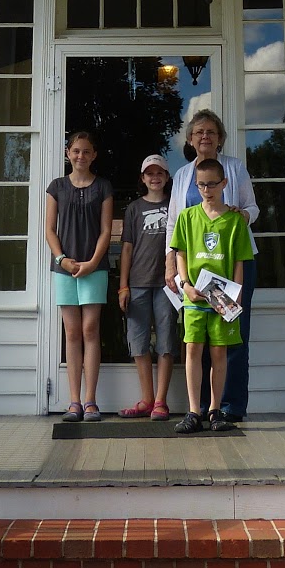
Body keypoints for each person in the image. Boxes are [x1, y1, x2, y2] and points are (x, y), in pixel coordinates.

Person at [165, 109, 259, 421]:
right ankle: (202, 407)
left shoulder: (235, 167)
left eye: (211, 132)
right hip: (193, 270)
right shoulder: (182, 175)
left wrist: (241, 216)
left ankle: (229, 407)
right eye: (199, 132)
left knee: (232, 337)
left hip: (232, 264)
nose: (205, 136)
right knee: (198, 340)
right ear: (190, 140)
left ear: (220, 138)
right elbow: (174, 224)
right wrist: (171, 265)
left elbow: (253, 207)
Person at [45, 131, 113, 422]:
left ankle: (91, 401)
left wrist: (93, 262)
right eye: (76, 151)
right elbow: (49, 230)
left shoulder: (104, 187)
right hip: (65, 268)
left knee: (90, 330)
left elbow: (106, 230)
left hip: (94, 267)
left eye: (86, 151)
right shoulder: (56, 187)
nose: (81, 156)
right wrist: (62, 259)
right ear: (67, 153)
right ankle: (74, 401)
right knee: (71, 332)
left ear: (94, 155)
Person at [117, 154, 178, 421]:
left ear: (167, 177)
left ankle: (161, 401)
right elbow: (127, 248)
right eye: (150, 173)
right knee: (139, 342)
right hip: (138, 283)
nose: (155, 178)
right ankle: (147, 399)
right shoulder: (134, 208)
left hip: (167, 283)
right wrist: (123, 286)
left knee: (166, 342)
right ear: (142, 178)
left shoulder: (175, 205)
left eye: (160, 173)